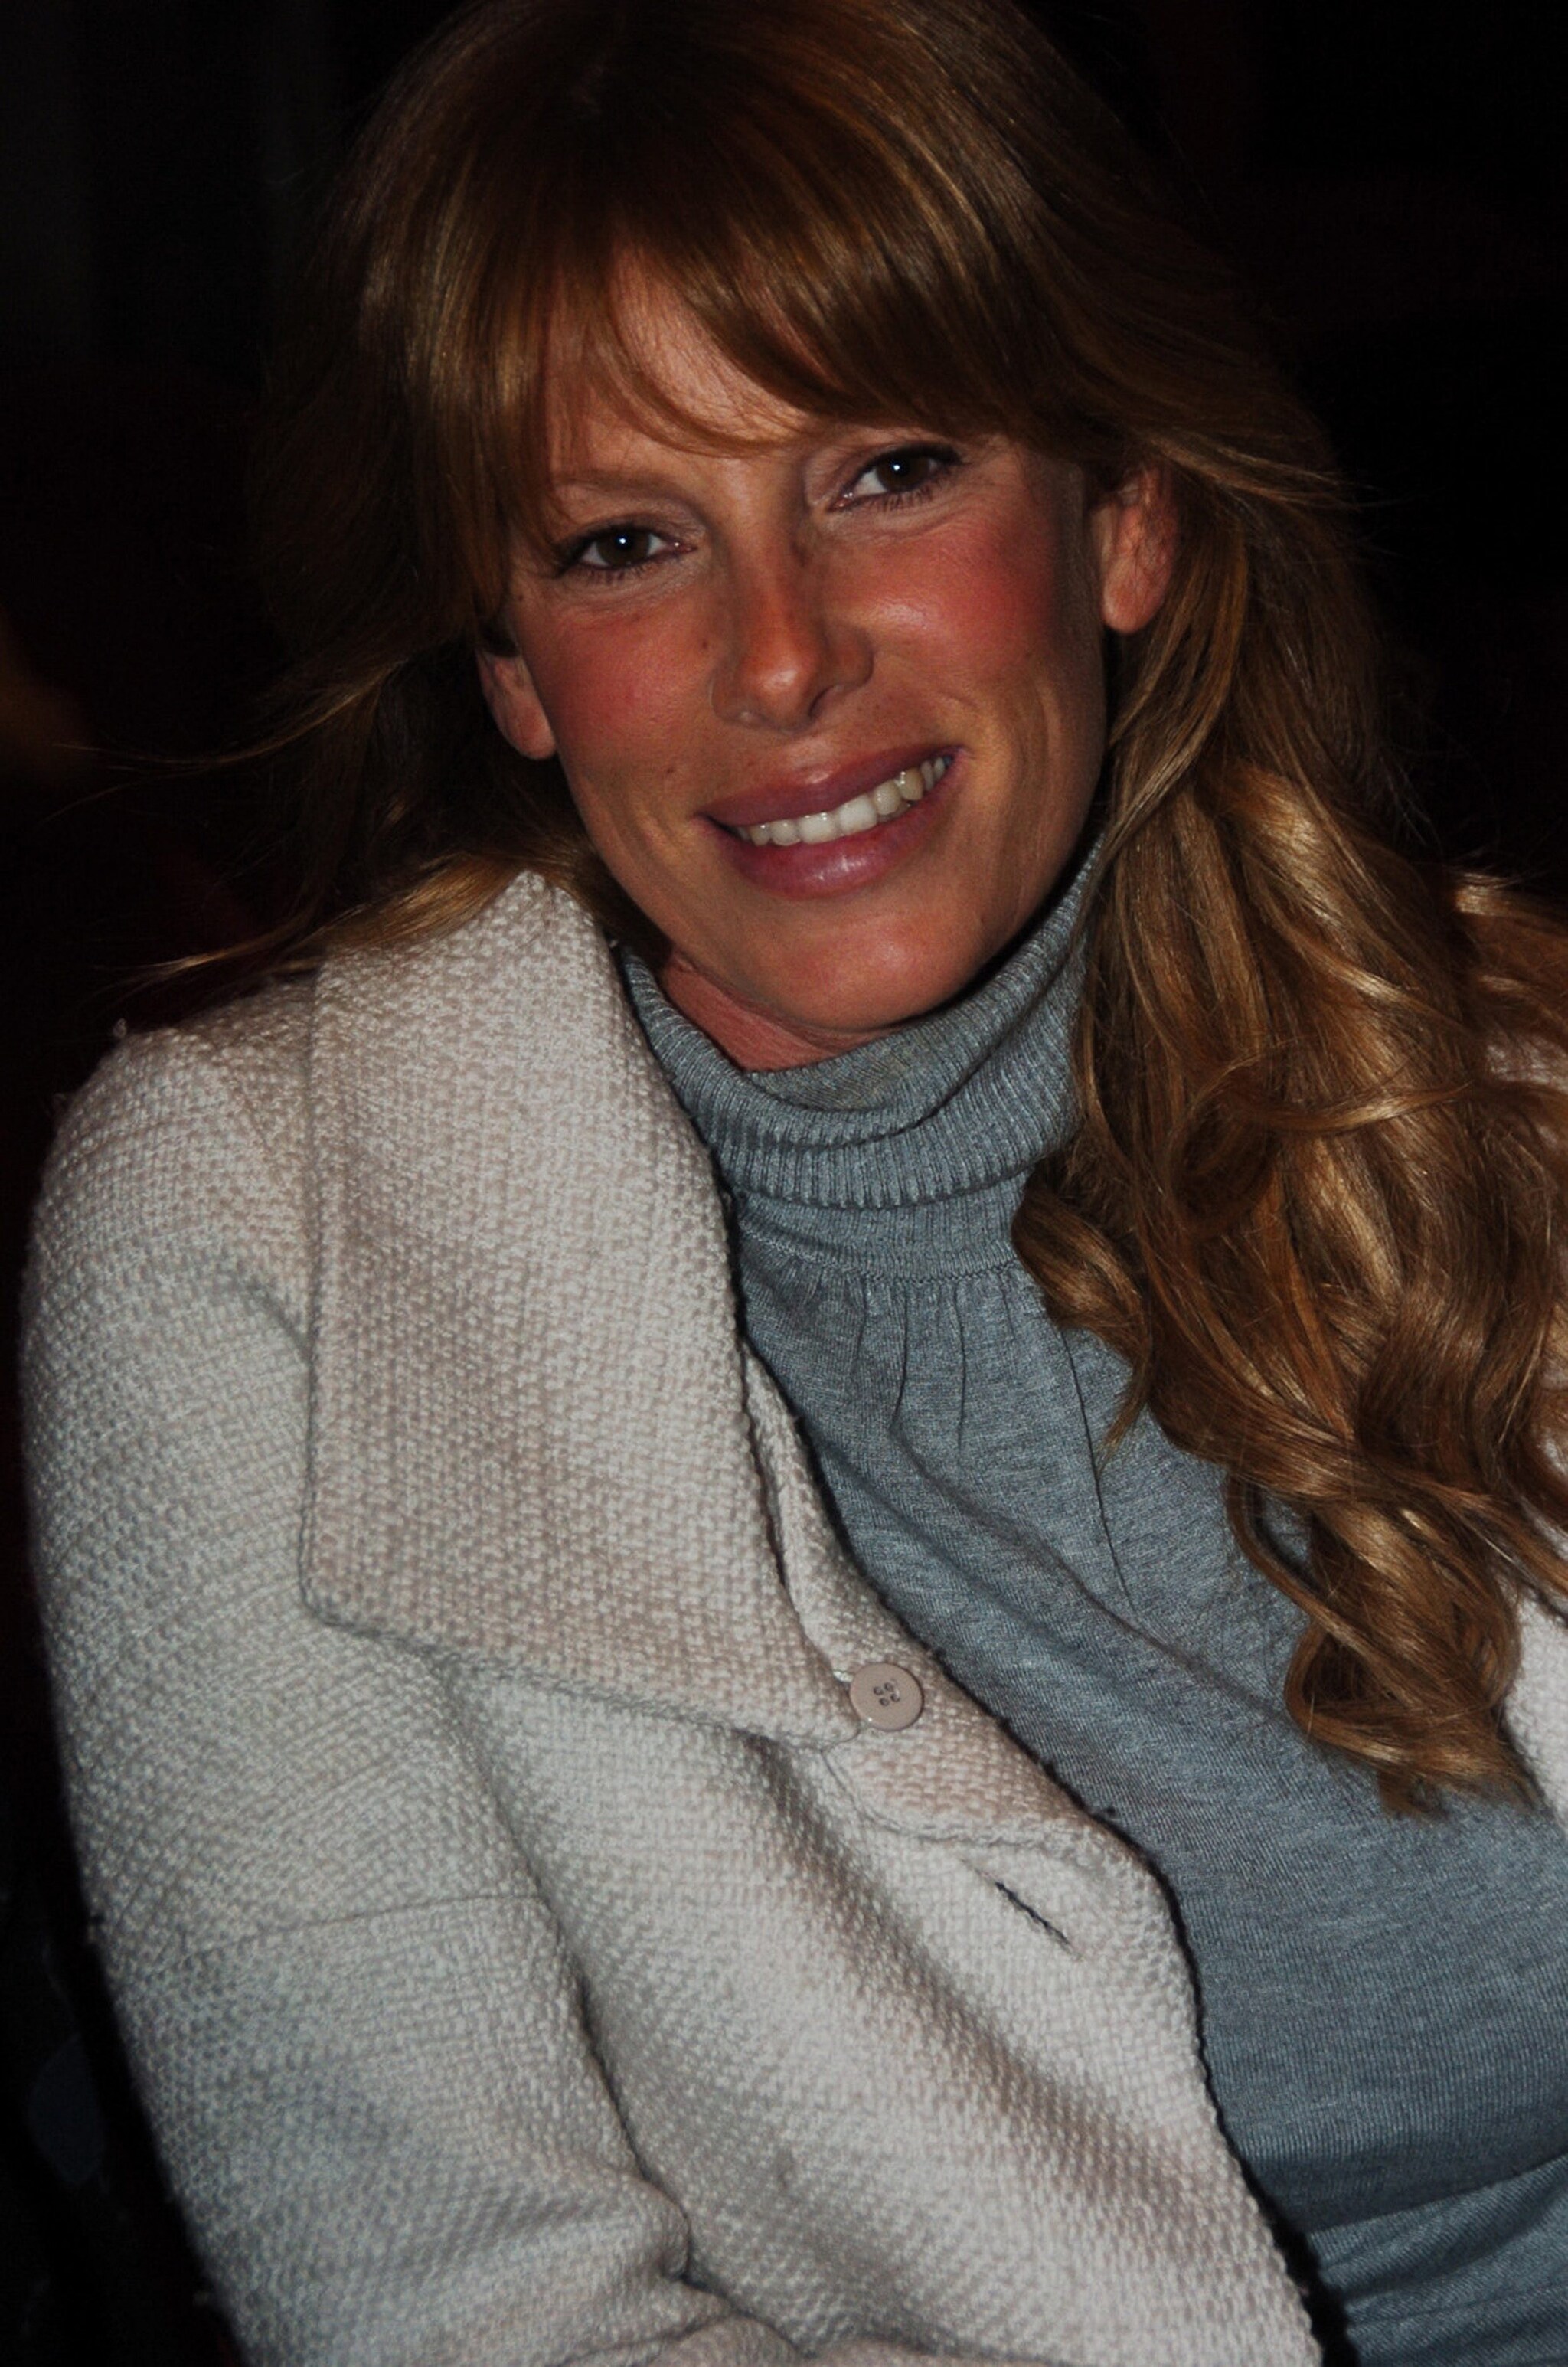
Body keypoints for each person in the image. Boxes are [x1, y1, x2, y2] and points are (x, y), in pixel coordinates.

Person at [21, 1, 1568, 2361]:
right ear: (513, 668)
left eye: (887, 471)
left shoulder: (1499, 1087)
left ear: (1126, 518)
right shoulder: (266, 1245)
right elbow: (471, 2317)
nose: (780, 655)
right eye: (627, 541)